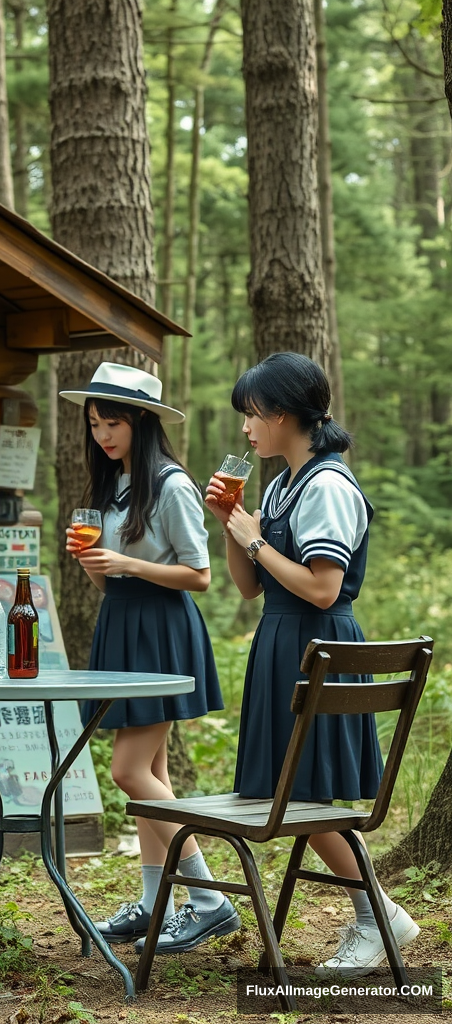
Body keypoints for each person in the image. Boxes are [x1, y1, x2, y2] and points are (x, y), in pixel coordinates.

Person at [207, 351, 418, 978]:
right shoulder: (280, 484)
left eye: (252, 415)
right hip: (282, 642)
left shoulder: (328, 485)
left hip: (317, 641)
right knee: (289, 789)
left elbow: (323, 588)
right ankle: (379, 914)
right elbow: (250, 587)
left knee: (301, 792)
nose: (246, 428)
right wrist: (230, 525)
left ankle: (376, 916)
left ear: (282, 415)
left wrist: (255, 538)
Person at [59, 363, 239, 954]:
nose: (102, 434)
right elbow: (116, 583)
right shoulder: (114, 482)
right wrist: (97, 568)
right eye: (94, 422)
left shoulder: (171, 484)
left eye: (112, 421)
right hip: (124, 622)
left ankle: (209, 900)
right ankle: (153, 900)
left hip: (161, 630)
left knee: (128, 772)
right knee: (151, 775)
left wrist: (127, 564)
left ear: (141, 422)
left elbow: (201, 576)